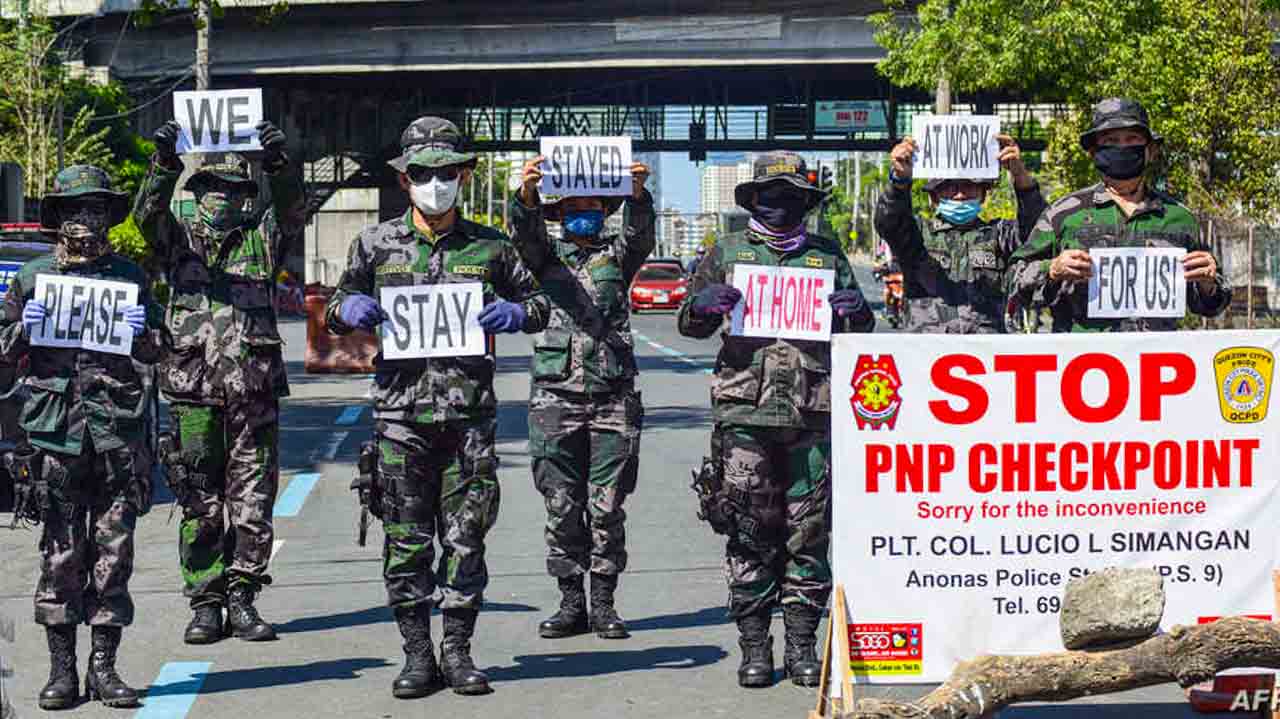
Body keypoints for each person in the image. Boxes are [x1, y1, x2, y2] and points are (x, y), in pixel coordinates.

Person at [325, 117, 550, 699]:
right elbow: (335, 302)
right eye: (423, 174)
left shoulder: (492, 245)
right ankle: (417, 654)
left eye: (447, 173)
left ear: (463, 174)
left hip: (469, 421)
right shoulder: (374, 244)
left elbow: (540, 303)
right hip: (400, 420)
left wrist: (517, 315)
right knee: (405, 543)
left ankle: (458, 650)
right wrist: (347, 309)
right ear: (405, 180)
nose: (436, 183)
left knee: (467, 539)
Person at [677, 152, 875, 688]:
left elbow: (860, 334)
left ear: (805, 202)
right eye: (771, 196)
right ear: (753, 200)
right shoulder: (727, 251)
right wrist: (702, 304)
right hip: (744, 414)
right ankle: (755, 647)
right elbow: (689, 326)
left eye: (791, 196)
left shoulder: (827, 256)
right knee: (747, 530)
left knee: (808, 533)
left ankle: (804, 647)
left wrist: (857, 311)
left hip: (813, 412)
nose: (780, 206)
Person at [134, 119, 305, 644]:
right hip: (193, 394)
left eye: (236, 191)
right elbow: (146, 217)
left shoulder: (263, 239)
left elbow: (292, 211)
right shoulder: (177, 243)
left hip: (253, 395)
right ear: (199, 193)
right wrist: (163, 162)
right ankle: (205, 601)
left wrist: (280, 166)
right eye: (215, 189)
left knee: (252, 504)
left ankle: (243, 596)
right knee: (200, 501)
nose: (224, 199)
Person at [1, 166, 165, 709]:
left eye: (96, 209)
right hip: (55, 438)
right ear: (58, 219)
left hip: (118, 434)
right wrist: (23, 327)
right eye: (75, 210)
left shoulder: (130, 277)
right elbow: (3, 355)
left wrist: (145, 332)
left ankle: (105, 668)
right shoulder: (32, 279)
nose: (85, 220)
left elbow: (160, 350)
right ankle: (62, 672)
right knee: (59, 554)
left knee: (113, 553)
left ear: (109, 218)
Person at [510, 154, 654, 641]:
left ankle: (605, 603)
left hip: (613, 395)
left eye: (593, 202)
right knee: (561, 502)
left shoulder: (617, 255)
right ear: (561, 209)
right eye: (575, 203)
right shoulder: (545, 258)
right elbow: (524, 238)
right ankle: (570, 600)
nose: (584, 210)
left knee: (608, 503)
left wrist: (637, 196)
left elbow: (641, 235)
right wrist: (526, 195)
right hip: (555, 397)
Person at [1008, 98, 1230, 331]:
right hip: (1084, 360)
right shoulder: (1064, 213)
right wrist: (1052, 270)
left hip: (1155, 360)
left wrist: (1208, 284)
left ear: (1151, 150)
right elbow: (1013, 281)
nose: (1122, 147)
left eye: (1132, 139)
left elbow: (1212, 304)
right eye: (1111, 141)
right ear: (1094, 152)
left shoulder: (1180, 218)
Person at [874, 133, 1046, 333]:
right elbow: (888, 221)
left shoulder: (1000, 234)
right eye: (949, 187)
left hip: (984, 353)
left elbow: (1040, 232)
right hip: (924, 352)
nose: (960, 194)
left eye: (969, 186)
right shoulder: (917, 234)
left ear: (984, 194)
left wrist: (1020, 176)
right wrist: (899, 180)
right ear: (934, 196)